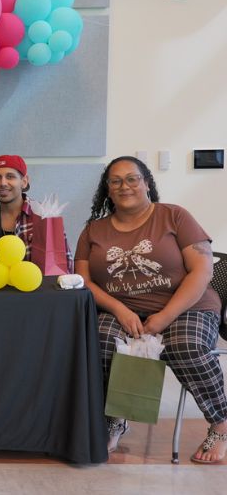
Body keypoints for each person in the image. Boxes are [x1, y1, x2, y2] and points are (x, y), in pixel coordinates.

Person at [74, 156, 225, 463]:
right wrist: (119, 309)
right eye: (116, 181)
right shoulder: (93, 231)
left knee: (186, 345)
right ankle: (115, 418)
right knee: (99, 341)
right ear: (108, 190)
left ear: (146, 183)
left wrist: (165, 316)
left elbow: (202, 270)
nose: (124, 186)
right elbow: (83, 280)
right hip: (123, 310)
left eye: (132, 178)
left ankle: (221, 423)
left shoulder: (174, 216)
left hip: (187, 306)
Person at [0, 155, 73, 271]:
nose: (3, 183)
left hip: (35, 282)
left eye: (10, 177)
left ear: (24, 181)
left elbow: (65, 267)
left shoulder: (45, 216)